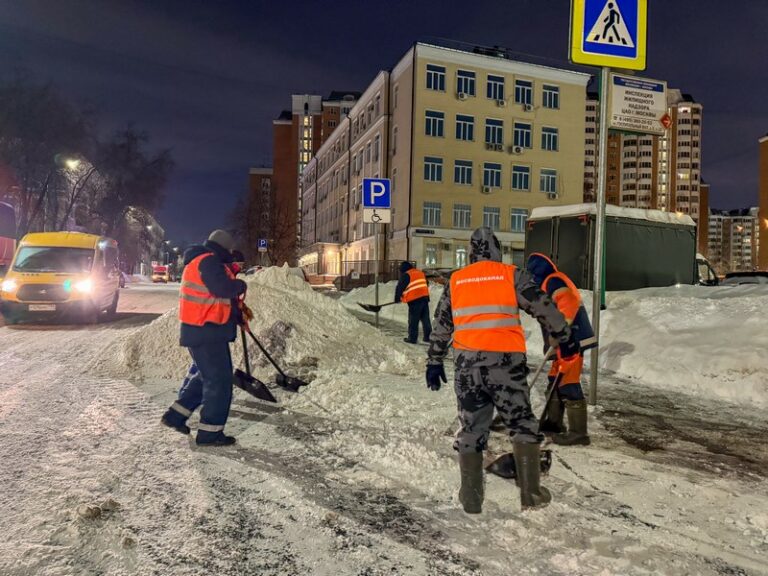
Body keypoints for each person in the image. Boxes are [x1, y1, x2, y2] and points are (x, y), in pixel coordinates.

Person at [425, 228, 575, 513]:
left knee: (471, 429)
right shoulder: (510, 274)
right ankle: (531, 495)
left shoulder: (457, 280)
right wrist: (563, 334)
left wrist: (434, 360)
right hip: (505, 366)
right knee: (521, 424)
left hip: (468, 369)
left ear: (471, 252)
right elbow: (542, 305)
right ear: (497, 251)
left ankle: (471, 497)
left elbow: (442, 325)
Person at [161, 229, 248, 446]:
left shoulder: (203, 260)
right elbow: (221, 288)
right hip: (207, 332)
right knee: (219, 381)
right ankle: (210, 432)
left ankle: (176, 416)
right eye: (228, 250)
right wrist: (240, 285)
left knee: (206, 376)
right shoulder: (208, 261)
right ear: (223, 248)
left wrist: (236, 316)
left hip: (203, 330)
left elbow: (215, 299)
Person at [526, 253, 596, 446]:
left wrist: (558, 331)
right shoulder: (549, 282)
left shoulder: (554, 281)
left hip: (572, 339)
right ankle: (554, 423)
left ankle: (579, 432)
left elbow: (569, 303)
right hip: (564, 340)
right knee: (555, 378)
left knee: (568, 381)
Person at [394, 261, 431, 344]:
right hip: (425, 298)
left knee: (413, 320)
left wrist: (397, 298)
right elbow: (426, 283)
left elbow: (399, 287)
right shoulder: (420, 273)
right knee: (425, 320)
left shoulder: (407, 274)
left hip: (415, 300)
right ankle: (428, 337)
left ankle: (412, 338)